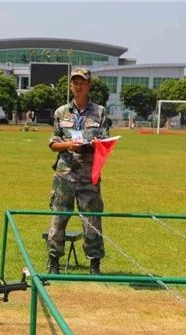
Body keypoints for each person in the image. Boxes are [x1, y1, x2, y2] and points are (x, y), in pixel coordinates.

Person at [47, 67, 112, 275]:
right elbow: (53, 144)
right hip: (65, 175)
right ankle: (54, 263)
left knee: (91, 221)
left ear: (89, 85)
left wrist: (92, 143)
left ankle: (94, 265)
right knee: (58, 219)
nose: (79, 85)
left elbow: (105, 140)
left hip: (88, 176)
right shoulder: (61, 112)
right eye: (75, 81)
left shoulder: (99, 112)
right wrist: (68, 145)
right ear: (71, 86)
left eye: (82, 81)